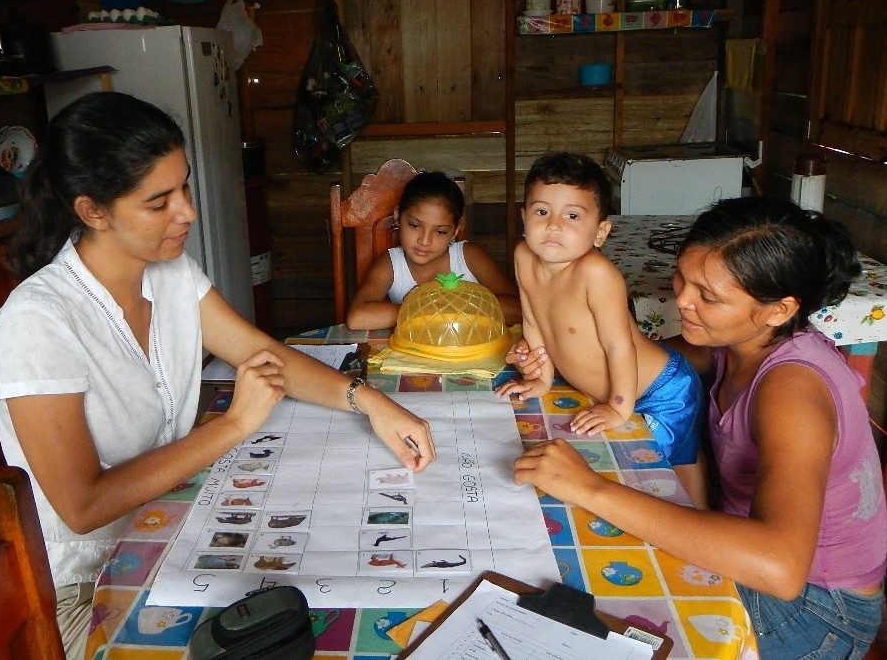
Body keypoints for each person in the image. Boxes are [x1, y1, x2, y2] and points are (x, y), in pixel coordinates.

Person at [0, 92, 435, 659]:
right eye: (159, 202)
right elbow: (82, 506)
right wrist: (233, 425)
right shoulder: (38, 321)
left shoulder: (170, 272)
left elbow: (261, 353)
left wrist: (369, 401)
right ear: (92, 211)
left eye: (184, 187)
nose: (188, 213)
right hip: (85, 588)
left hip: (170, 528)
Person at [512, 196, 887, 659]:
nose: (682, 301)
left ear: (777, 309)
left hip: (818, 610)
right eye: (682, 280)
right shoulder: (744, 341)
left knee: (586, 594)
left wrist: (589, 488)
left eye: (707, 296)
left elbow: (780, 568)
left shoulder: (793, 392)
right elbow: (665, 363)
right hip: (764, 558)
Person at [495, 152, 705, 506]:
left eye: (572, 216)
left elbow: (619, 347)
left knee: (678, 481)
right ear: (524, 217)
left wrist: (619, 408)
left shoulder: (597, 274)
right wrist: (542, 378)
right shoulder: (523, 257)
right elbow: (533, 321)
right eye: (541, 212)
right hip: (615, 392)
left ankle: (710, 536)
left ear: (601, 232)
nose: (554, 225)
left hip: (660, 391)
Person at [346, 170, 521, 330]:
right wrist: (426, 308)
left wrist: (457, 302)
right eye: (414, 225)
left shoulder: (468, 257)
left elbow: (519, 310)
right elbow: (357, 318)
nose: (424, 240)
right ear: (398, 217)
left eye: (440, 231)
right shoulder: (391, 264)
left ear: (455, 231)